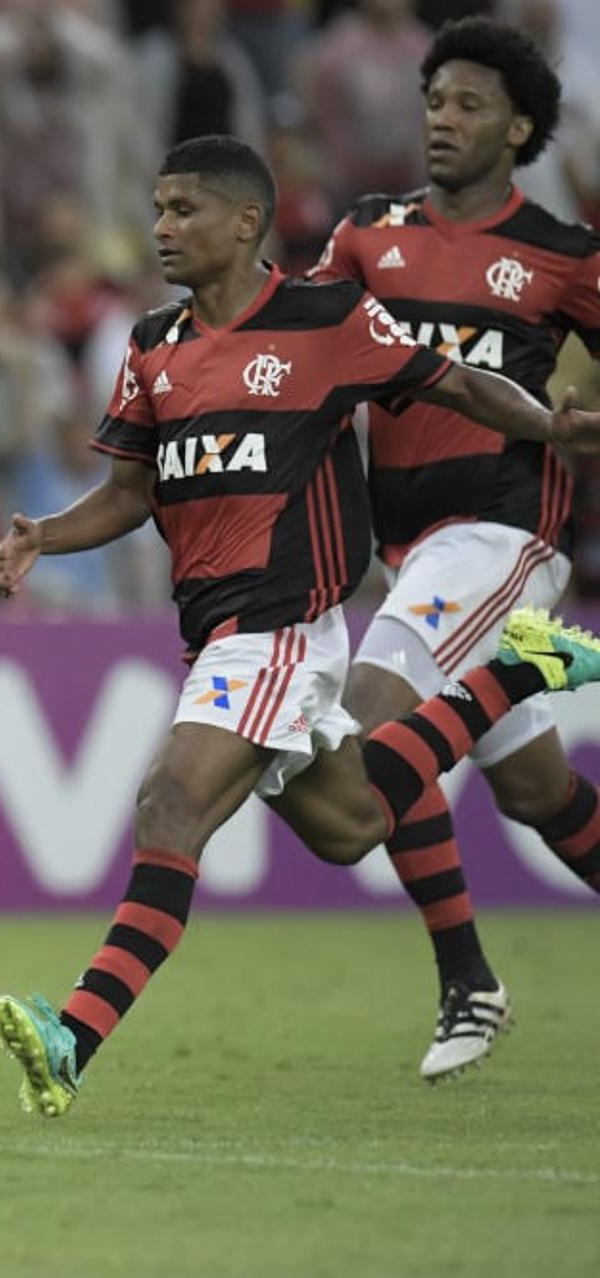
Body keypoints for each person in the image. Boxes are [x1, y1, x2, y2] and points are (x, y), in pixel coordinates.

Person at [0, 136, 600, 1119]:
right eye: (157, 208)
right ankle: (519, 674)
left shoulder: (326, 320)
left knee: (168, 806)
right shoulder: (153, 346)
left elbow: (458, 383)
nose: (163, 227)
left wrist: (547, 426)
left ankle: (73, 1037)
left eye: (184, 209)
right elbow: (130, 492)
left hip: (284, 625)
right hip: (217, 631)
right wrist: (42, 538)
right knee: (350, 826)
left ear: (246, 222)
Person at [307, 17, 600, 1081]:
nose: (442, 118)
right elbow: (300, 354)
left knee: (367, 732)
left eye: (469, 105)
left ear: (520, 127)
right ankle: (473, 983)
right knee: (535, 794)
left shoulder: (565, 255)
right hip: (406, 546)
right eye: (434, 100)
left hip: (502, 535)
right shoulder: (364, 237)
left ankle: (467, 980)